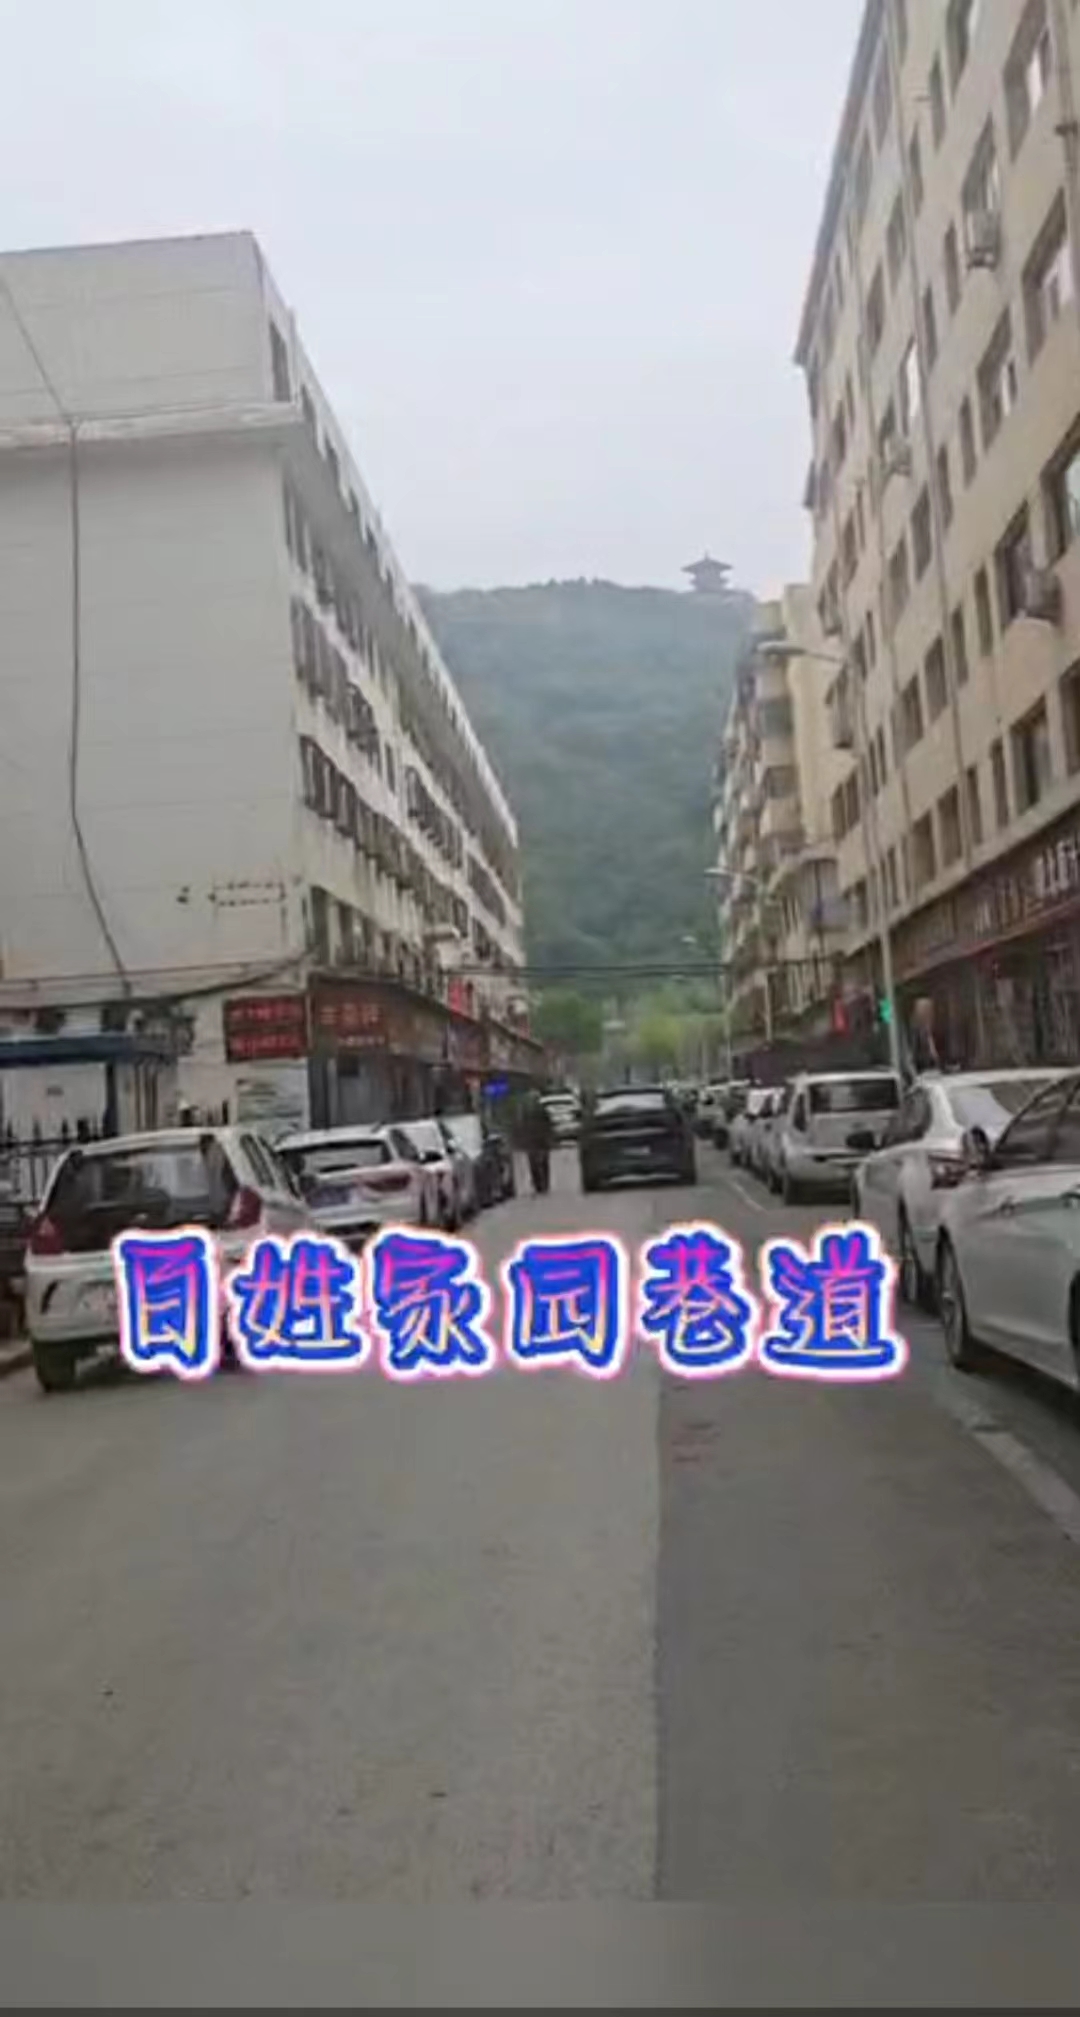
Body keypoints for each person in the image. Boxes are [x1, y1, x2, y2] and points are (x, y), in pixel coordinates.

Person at [519, 1093, 554, 1196]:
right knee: (534, 1163)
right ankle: (538, 1184)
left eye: (534, 1099)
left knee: (542, 1162)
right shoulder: (526, 1113)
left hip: (541, 1140)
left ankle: (544, 1184)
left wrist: (549, 1137)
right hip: (533, 1140)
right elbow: (523, 1127)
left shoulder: (542, 1111)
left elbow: (548, 1124)